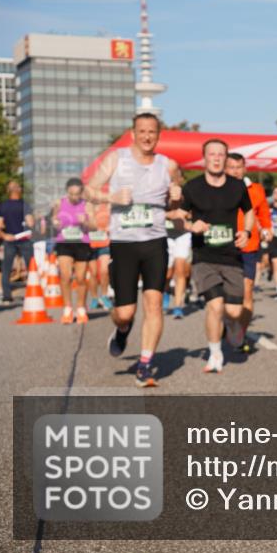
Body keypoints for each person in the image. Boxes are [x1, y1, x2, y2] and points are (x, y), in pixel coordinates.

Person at [85, 113, 182, 387]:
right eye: (142, 131)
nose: (147, 136)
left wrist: (177, 196)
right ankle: (122, 329)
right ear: (133, 133)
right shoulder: (117, 159)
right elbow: (88, 190)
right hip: (124, 243)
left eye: (152, 131)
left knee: (153, 304)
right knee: (125, 312)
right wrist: (110, 197)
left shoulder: (168, 165)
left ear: (158, 135)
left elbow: (175, 205)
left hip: (155, 242)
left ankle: (145, 364)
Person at [178, 139, 254, 373]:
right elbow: (179, 217)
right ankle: (215, 353)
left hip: (231, 256)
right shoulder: (192, 188)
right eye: (212, 154)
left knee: (233, 311)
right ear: (205, 158)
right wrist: (191, 225)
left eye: (221, 154)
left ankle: (233, 326)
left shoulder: (237, 186)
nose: (217, 158)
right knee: (214, 306)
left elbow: (248, 211)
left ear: (225, 157)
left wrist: (247, 232)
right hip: (204, 257)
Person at [225, 153, 272, 344]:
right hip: (223, 248)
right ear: (225, 168)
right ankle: (227, 322)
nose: (235, 171)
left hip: (248, 246)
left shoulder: (256, 189)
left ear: (244, 168)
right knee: (225, 295)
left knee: (247, 290)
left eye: (239, 167)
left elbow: (264, 214)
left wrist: (267, 229)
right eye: (231, 167)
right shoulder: (217, 188)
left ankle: (239, 333)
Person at [50, 178, 93, 324]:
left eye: (77, 194)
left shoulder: (87, 205)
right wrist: (55, 222)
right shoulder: (59, 203)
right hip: (64, 242)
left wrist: (85, 222)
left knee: (80, 278)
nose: (74, 197)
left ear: (82, 193)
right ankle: (67, 309)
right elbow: (53, 219)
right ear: (67, 192)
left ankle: (80, 308)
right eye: (71, 194)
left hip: (82, 242)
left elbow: (94, 226)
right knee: (66, 276)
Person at [0, 180, 34, 305]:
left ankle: (7, 296)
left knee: (6, 268)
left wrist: (5, 235)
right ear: (19, 190)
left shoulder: (3, 206)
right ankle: (34, 291)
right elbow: (30, 223)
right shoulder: (25, 205)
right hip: (24, 239)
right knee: (31, 267)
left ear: (8, 191)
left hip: (9, 240)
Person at [164, 198, 192, 320]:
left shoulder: (186, 194)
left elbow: (192, 212)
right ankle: (166, 291)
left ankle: (178, 306)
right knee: (167, 273)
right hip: (167, 235)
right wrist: (169, 214)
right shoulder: (161, 194)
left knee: (180, 270)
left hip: (183, 234)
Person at [87, 200, 114, 311]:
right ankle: (94, 298)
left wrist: (109, 228)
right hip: (90, 244)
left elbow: (115, 221)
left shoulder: (107, 206)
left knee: (104, 270)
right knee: (93, 273)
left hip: (104, 243)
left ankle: (104, 295)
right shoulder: (86, 207)